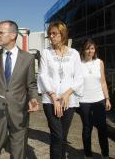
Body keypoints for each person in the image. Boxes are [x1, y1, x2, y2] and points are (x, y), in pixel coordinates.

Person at [0, 20, 39, 159]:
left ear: (13, 35)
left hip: (19, 112)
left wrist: (34, 99)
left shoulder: (28, 58)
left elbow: (31, 84)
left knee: (18, 153)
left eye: (1, 32)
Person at [37, 22, 83, 159]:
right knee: (57, 135)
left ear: (62, 35)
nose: (51, 36)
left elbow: (79, 77)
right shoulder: (46, 53)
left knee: (63, 136)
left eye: (54, 33)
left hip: (69, 101)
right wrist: (54, 97)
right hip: (50, 101)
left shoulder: (74, 54)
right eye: (50, 34)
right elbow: (42, 75)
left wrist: (67, 94)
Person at [79, 38, 111, 159]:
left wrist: (107, 98)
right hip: (84, 101)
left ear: (95, 49)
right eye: (87, 48)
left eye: (92, 48)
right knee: (87, 128)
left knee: (102, 128)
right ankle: (87, 154)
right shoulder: (79, 64)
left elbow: (103, 82)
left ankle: (105, 154)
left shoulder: (99, 62)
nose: (90, 51)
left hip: (99, 99)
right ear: (83, 50)